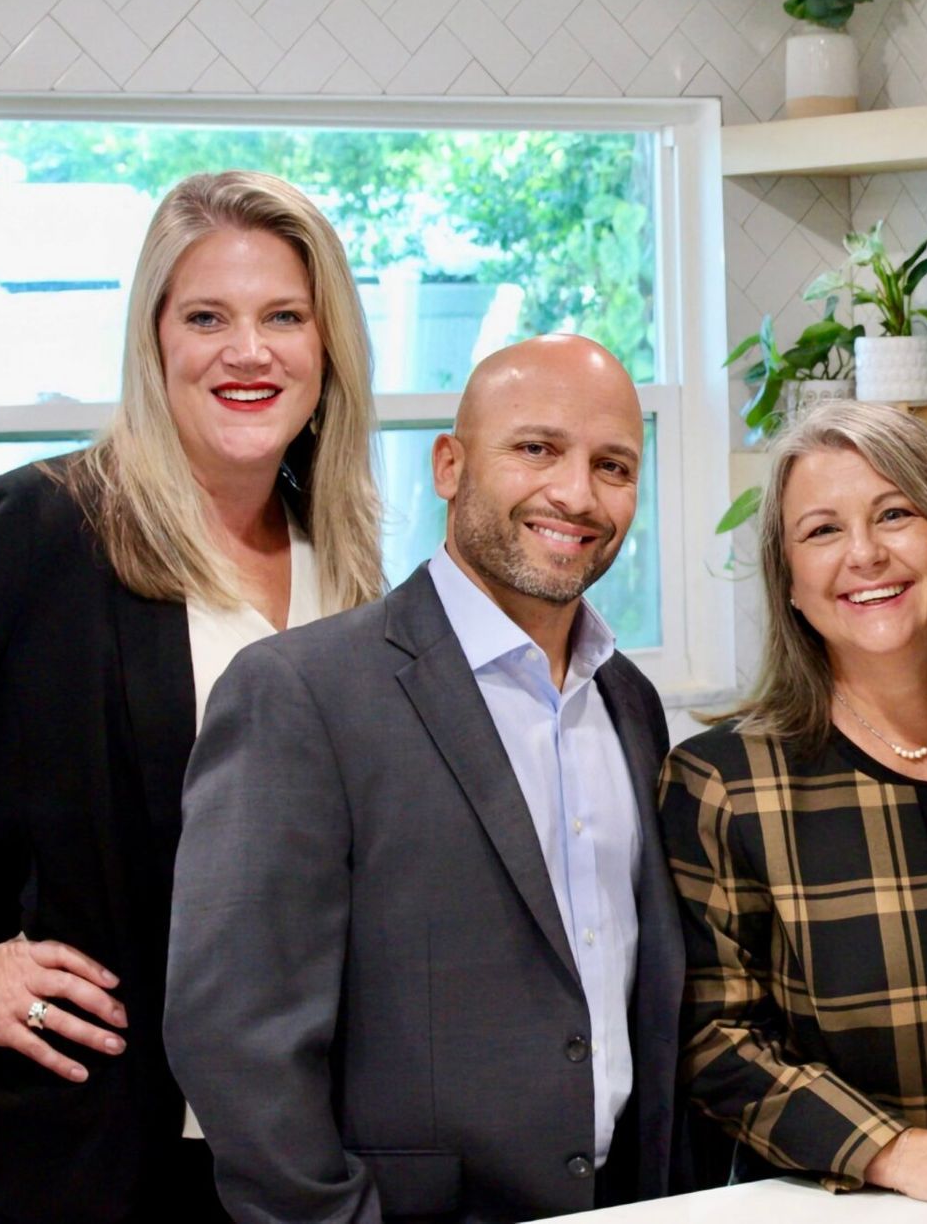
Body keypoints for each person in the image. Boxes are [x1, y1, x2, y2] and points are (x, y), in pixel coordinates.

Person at [0, 170, 383, 1223]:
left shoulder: (346, 558)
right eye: (207, 316)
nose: (248, 351)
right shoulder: (47, 529)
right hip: (101, 1154)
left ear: (327, 344)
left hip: (309, 1146)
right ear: (155, 344)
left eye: (283, 316)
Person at [164, 333, 682, 1222]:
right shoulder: (301, 692)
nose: (576, 493)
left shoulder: (629, 702)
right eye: (536, 449)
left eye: (613, 466)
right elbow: (236, 1043)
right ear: (449, 464)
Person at [659, 402, 927, 1212]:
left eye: (895, 514)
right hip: (875, 1203)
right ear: (788, 580)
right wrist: (890, 1151)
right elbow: (715, 1042)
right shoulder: (724, 784)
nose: (864, 554)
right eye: (821, 531)